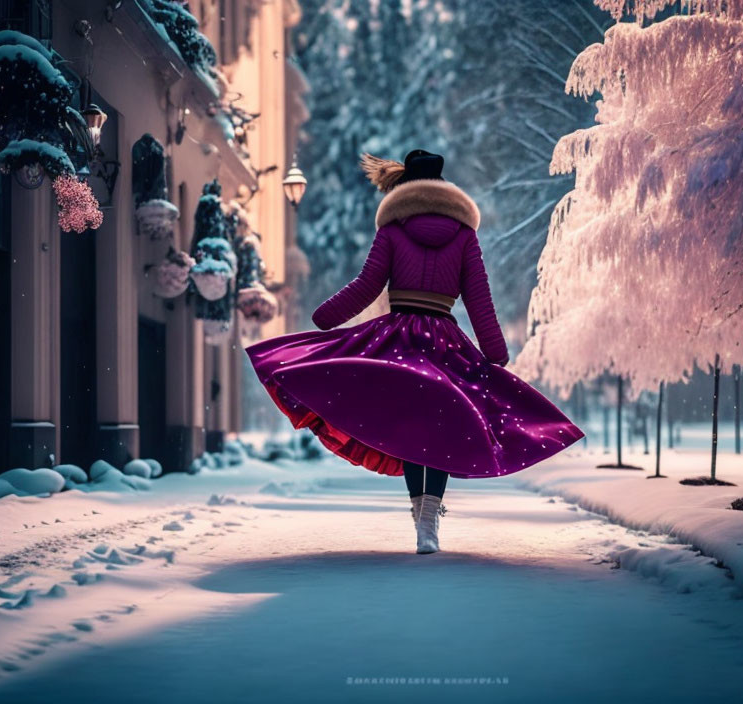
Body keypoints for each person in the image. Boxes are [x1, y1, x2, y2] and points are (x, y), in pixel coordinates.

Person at [245, 149, 585, 554]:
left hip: (399, 337)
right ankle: (429, 520)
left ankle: (417, 515)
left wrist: (326, 317)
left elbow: (367, 285)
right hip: (444, 340)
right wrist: (494, 350)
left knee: (409, 429)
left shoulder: (393, 230)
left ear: (405, 187)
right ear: (444, 188)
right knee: (440, 429)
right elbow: (479, 297)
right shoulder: (463, 235)